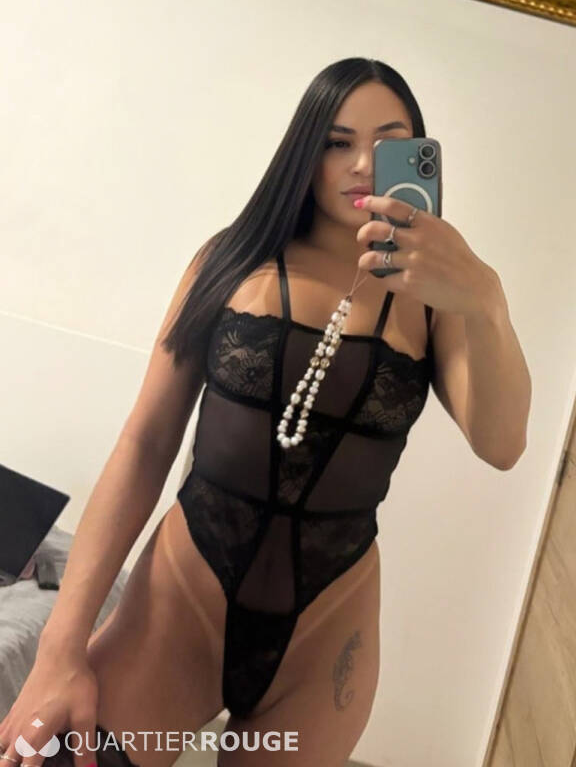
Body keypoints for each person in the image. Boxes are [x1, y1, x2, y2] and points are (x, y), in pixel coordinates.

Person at [0, 58, 531, 767]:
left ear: (418, 156)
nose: (363, 163)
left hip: (325, 638)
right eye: (338, 141)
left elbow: (502, 444)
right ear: (305, 151)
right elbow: (144, 444)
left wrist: (487, 298)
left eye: (389, 142)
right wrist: (58, 651)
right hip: (180, 605)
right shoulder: (231, 261)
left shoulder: (439, 304)